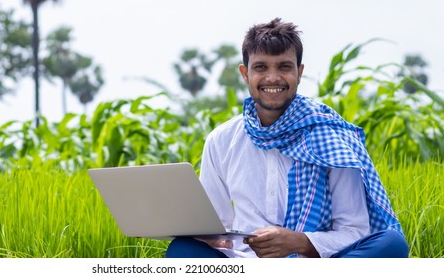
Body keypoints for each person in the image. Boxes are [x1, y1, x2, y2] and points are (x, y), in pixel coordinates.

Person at [165, 18, 409, 258]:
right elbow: (216, 226)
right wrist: (202, 234)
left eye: (284, 67)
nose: (273, 77)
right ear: (245, 73)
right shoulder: (222, 140)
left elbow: (353, 231)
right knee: (182, 249)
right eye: (261, 67)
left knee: (391, 244)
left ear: (299, 73)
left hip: (312, 261)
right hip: (244, 262)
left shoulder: (331, 137)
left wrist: (300, 242)